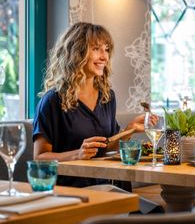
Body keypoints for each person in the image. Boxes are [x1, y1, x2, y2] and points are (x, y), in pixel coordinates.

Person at [33, 22, 162, 213]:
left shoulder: (107, 96)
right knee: (150, 214)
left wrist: (129, 130)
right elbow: (39, 158)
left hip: (109, 184)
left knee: (155, 213)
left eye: (106, 49)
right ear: (76, 52)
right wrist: (77, 154)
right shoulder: (52, 100)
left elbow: (106, 146)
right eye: (96, 49)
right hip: (73, 189)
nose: (104, 57)